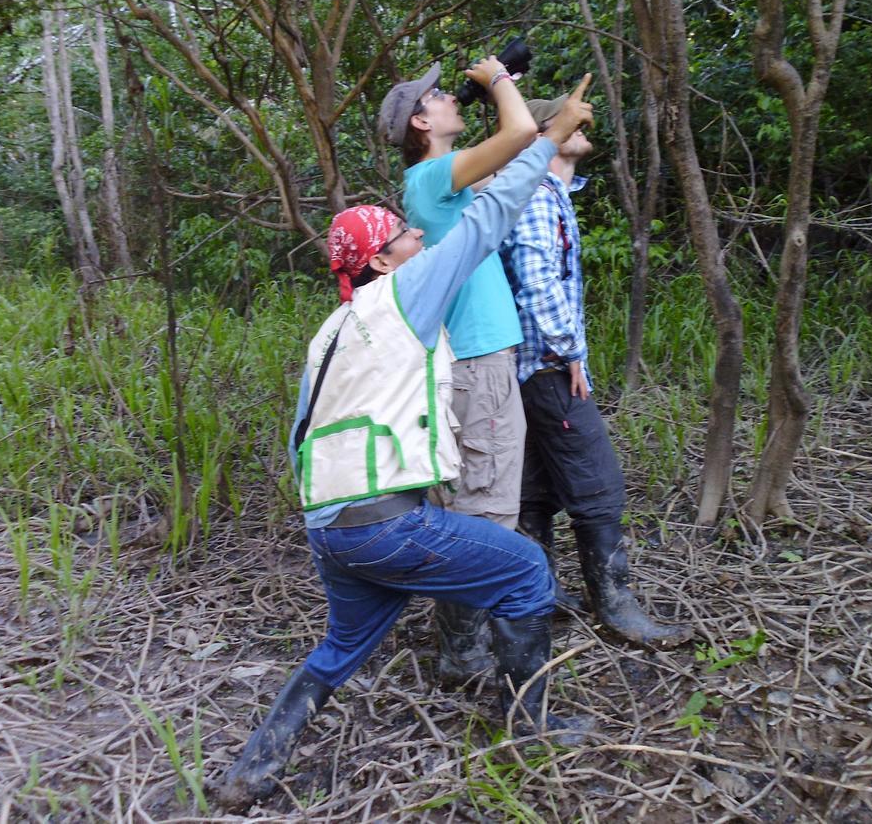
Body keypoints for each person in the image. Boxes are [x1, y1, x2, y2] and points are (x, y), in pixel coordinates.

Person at [213, 69, 595, 813]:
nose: (420, 236)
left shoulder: (332, 330)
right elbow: (489, 219)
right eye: (406, 235)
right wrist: (548, 135)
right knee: (523, 571)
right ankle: (530, 727)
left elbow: (300, 435)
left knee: (341, 649)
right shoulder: (408, 292)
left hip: (330, 527)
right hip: (383, 523)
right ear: (382, 260)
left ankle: (251, 768)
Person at [500, 94, 692, 648]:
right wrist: (569, 353)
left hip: (531, 368)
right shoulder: (537, 197)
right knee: (598, 485)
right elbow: (537, 286)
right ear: (547, 133)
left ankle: (542, 591)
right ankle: (614, 605)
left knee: (535, 485)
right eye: (570, 117)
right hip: (548, 365)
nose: (584, 124)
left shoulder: (550, 193)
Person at [378, 55, 536, 684]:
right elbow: (522, 134)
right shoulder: (430, 179)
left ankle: (462, 649)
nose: (450, 98)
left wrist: (508, 91)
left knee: (474, 505)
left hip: (475, 361)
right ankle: (479, 660)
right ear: (421, 120)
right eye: (439, 96)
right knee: (488, 512)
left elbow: (524, 137)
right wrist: (496, 79)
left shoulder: (445, 179)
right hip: (477, 364)